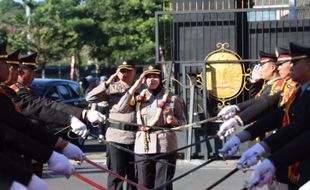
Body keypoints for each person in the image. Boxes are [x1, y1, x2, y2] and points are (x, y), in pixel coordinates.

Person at [220, 43, 310, 189]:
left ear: (308, 65)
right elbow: (273, 111)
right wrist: (240, 132)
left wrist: (268, 155)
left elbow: (298, 127)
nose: (289, 66)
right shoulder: (299, 92)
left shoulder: (297, 90)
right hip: (289, 157)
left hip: (296, 160)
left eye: (294, 62)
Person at [117, 64, 186, 190]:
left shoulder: (172, 98)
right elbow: (121, 108)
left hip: (165, 146)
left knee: (163, 186)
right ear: (143, 79)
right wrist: (136, 86)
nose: (152, 80)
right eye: (148, 77)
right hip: (143, 146)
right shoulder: (137, 98)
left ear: (160, 79)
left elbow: (183, 122)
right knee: (143, 185)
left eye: (155, 76)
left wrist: (174, 121)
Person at [86, 60, 137, 190]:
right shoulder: (112, 87)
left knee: (135, 177)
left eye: (128, 70)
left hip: (138, 138)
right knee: (116, 176)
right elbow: (90, 98)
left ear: (134, 72)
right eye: (122, 70)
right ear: (117, 72)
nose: (125, 73)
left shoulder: (141, 88)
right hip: (116, 137)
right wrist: (108, 82)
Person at [217, 51, 282, 138]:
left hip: (269, 131)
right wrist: (254, 82)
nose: (260, 69)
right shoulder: (268, 84)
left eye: (262, 66)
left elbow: (262, 103)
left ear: (273, 67)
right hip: (259, 128)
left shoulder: (279, 85)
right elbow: (255, 99)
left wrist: (237, 116)